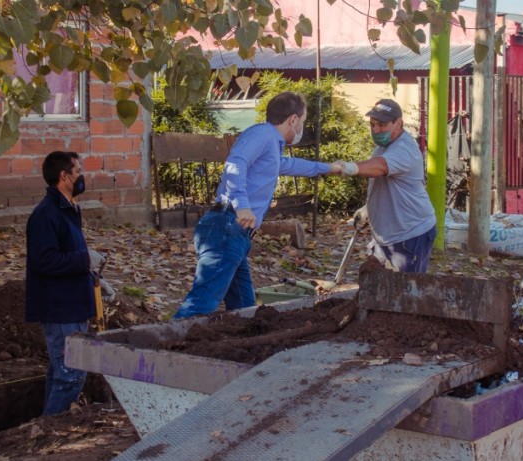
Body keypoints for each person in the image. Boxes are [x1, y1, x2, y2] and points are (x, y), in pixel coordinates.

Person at [173, 92, 343, 319]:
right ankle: (158, 351)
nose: (302, 126)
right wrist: (242, 205)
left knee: (246, 311)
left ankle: (239, 350)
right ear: (293, 119)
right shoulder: (262, 133)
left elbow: (288, 164)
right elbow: (236, 162)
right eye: (302, 120)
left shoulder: (272, 145)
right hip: (227, 226)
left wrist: (329, 168)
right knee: (200, 306)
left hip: (235, 234)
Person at [25, 150, 102, 415]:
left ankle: (43, 430)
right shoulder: (46, 215)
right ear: (64, 176)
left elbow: (68, 255)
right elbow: (44, 261)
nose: (81, 177)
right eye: (78, 171)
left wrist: (92, 275)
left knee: (61, 374)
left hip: (73, 304)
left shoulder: (67, 210)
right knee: (70, 376)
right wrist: (84, 260)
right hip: (60, 308)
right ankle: (49, 434)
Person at [338, 99, 437, 273]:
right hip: (386, 235)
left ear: (398, 123)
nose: (375, 130)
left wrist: (348, 167)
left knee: (405, 290)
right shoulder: (383, 146)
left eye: (382, 125)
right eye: (372, 124)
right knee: (380, 286)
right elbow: (385, 183)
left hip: (410, 233)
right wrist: (369, 208)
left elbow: (381, 167)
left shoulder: (404, 148)